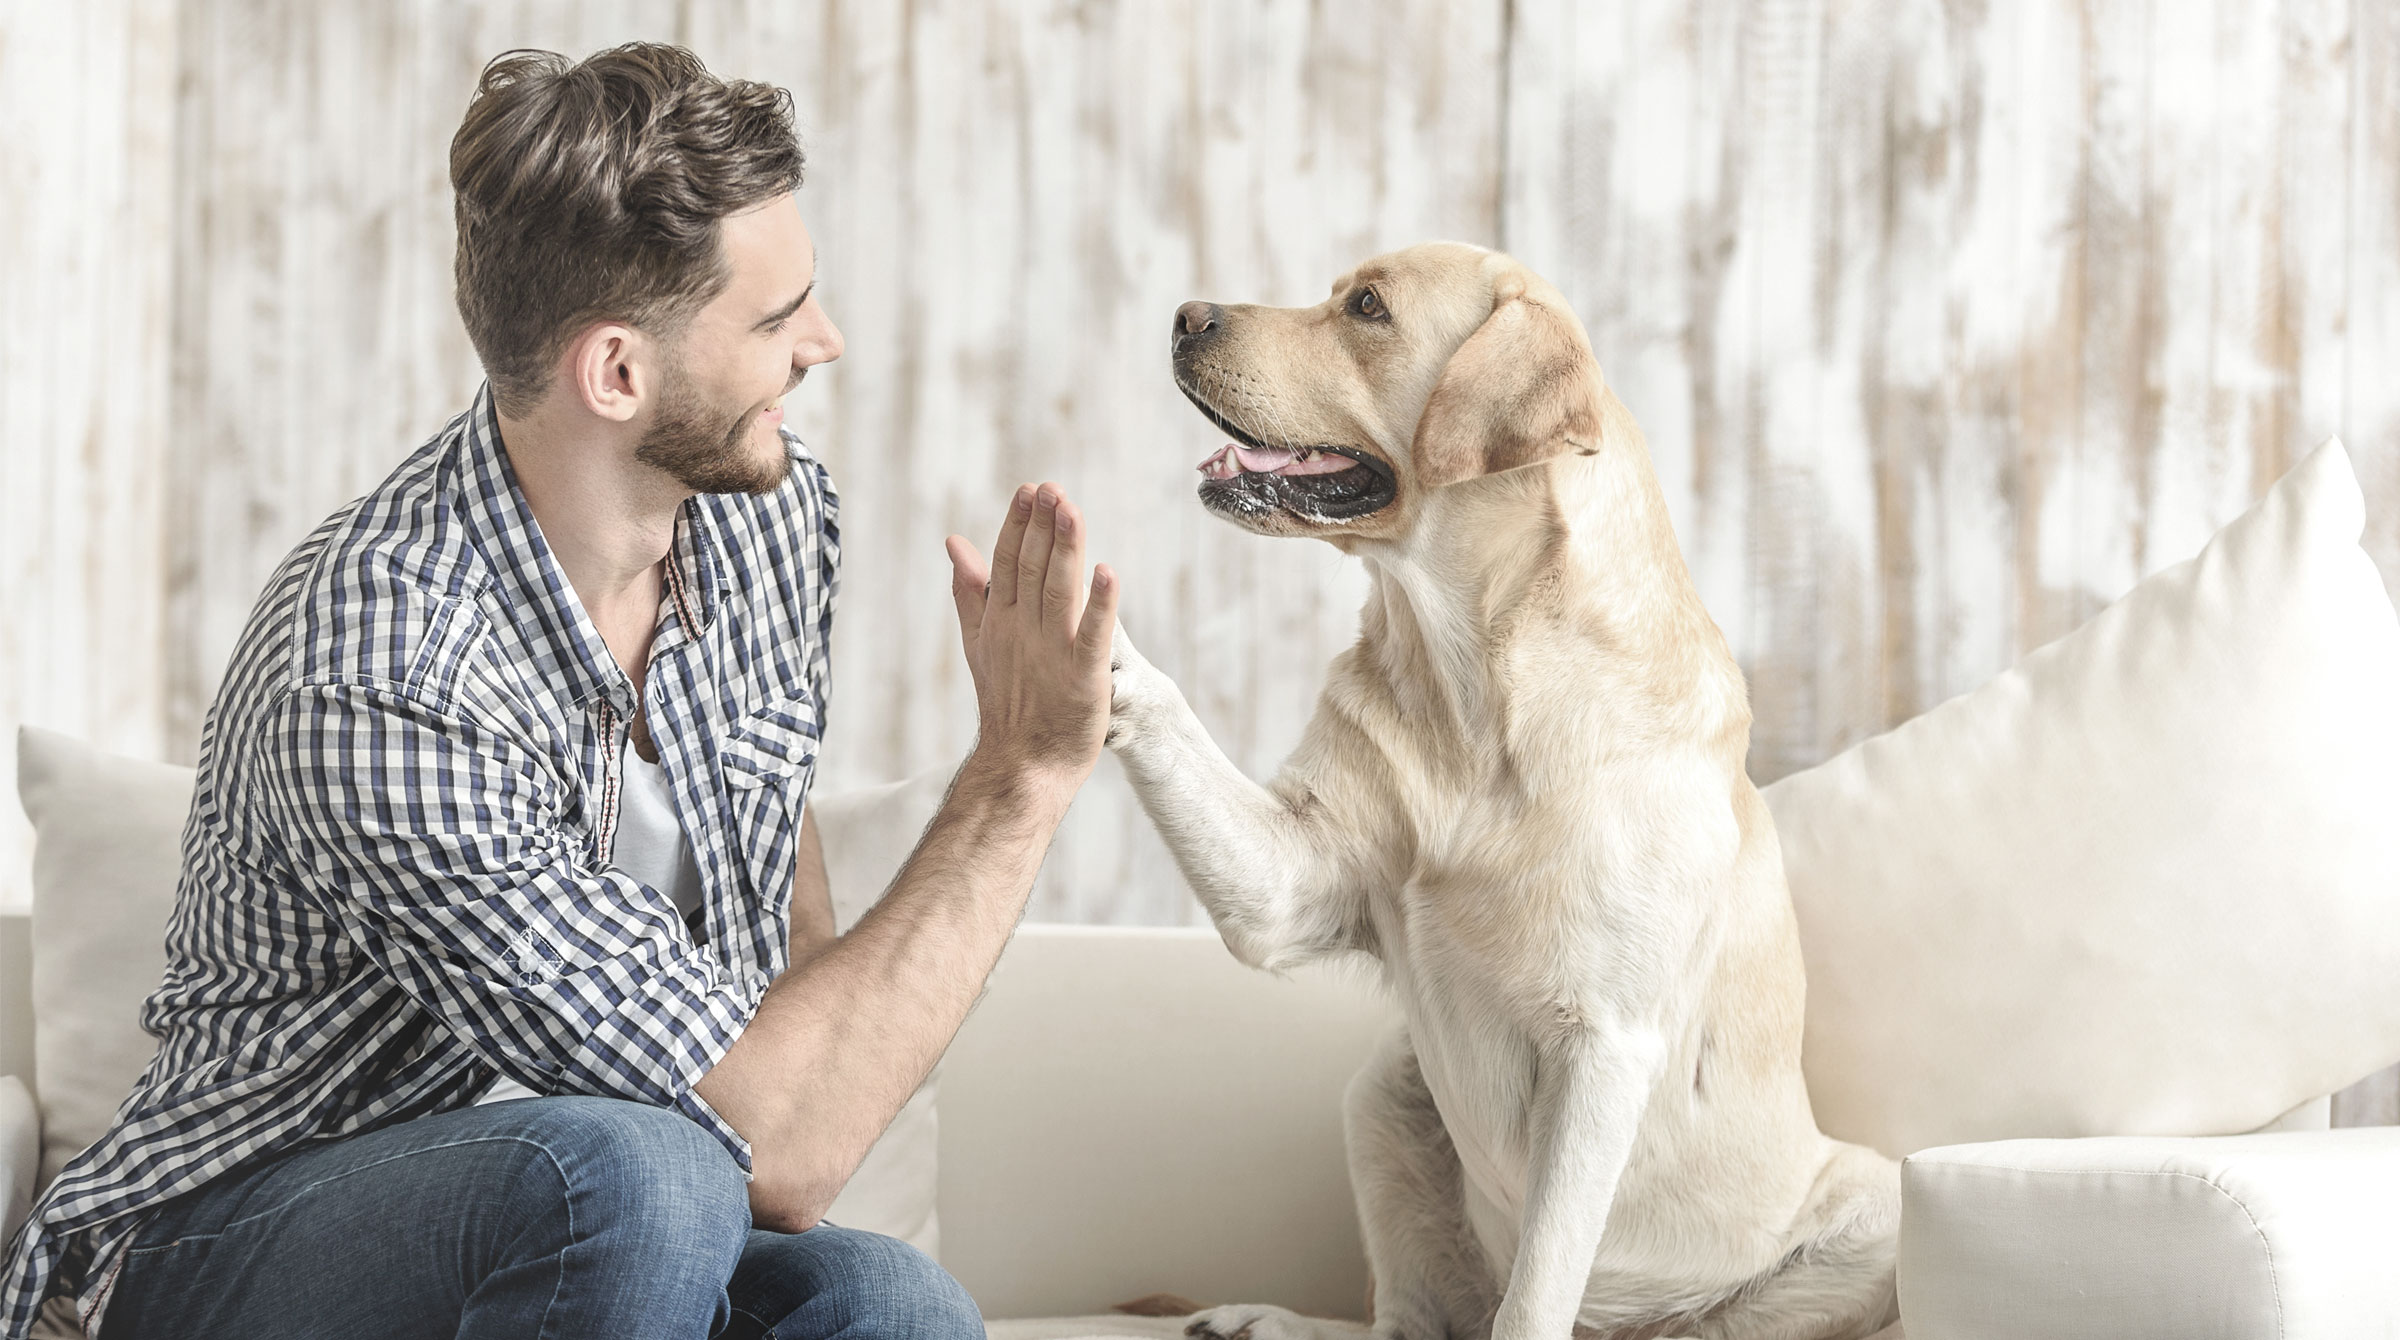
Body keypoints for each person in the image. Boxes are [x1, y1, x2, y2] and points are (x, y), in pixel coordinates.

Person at [0, 41, 1118, 1340]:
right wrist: (1020, 776)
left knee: (892, 1303)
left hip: (603, 1239)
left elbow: (779, 879)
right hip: (224, 1248)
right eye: (775, 319)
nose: (827, 343)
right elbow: (784, 1142)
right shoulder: (381, 665)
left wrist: (792, 1062)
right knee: (640, 1177)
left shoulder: (764, 516)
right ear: (619, 375)